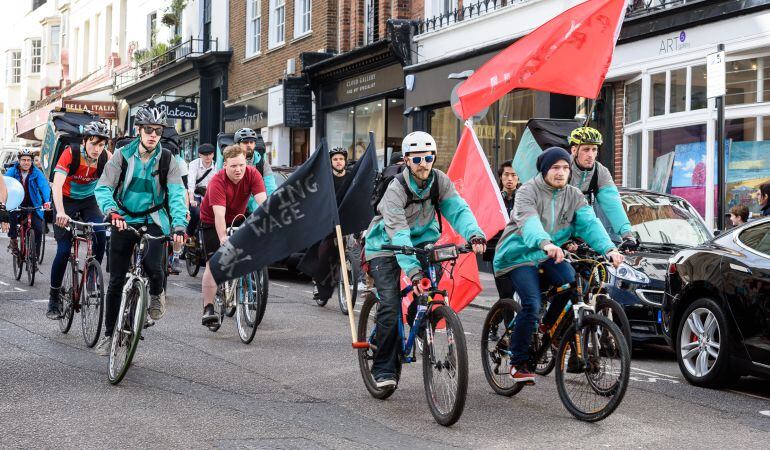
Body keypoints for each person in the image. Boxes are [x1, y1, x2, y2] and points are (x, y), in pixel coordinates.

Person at [364, 131, 487, 389]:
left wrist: (474, 234)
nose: (424, 164)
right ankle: (384, 367)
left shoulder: (439, 181)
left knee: (431, 291)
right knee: (389, 304)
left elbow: (458, 209)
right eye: (417, 159)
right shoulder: (396, 188)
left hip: (422, 241)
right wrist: (414, 273)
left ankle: (421, 317)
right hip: (385, 245)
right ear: (407, 160)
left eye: (428, 158)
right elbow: (398, 232)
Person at [493, 147, 624, 384]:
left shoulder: (574, 195)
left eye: (565, 167)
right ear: (544, 170)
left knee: (573, 284)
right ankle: (518, 362)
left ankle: (547, 327)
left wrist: (609, 248)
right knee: (532, 303)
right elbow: (530, 223)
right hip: (518, 256)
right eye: (555, 168)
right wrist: (545, 243)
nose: (561, 172)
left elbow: (589, 224)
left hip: (549, 255)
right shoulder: (527, 192)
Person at [94, 104, 187, 355]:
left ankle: (157, 293)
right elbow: (103, 187)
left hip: (155, 218)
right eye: (148, 129)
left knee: (155, 268)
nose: (153, 134)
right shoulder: (122, 155)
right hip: (123, 218)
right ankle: (109, 334)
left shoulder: (168, 159)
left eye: (158, 130)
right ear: (138, 130)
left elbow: (178, 194)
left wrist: (179, 224)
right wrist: (111, 211)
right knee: (115, 281)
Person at [47, 120, 111, 320]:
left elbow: (114, 186)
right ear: (85, 141)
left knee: (100, 233)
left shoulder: (106, 158)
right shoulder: (71, 153)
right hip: (64, 200)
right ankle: (54, 299)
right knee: (64, 250)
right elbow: (56, 186)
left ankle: (92, 275)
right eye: (93, 144)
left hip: (89, 201)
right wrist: (61, 212)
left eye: (101, 145)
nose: (97, 149)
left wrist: (114, 210)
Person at [200, 145, 267, 326]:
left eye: (241, 165)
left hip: (238, 217)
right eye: (233, 166)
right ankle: (208, 307)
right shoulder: (217, 181)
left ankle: (241, 280)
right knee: (213, 263)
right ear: (225, 166)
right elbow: (219, 216)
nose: (238, 170)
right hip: (211, 220)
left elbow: (263, 205)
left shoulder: (253, 175)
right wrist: (223, 237)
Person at [568, 127, 637, 250]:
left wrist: (627, 234)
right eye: (586, 149)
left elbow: (612, 203)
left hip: (584, 235)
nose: (590, 155)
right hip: (559, 236)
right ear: (574, 150)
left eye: (594, 149)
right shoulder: (562, 169)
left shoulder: (600, 172)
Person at [311, 147, 354, 305]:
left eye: (341, 159)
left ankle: (349, 274)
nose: (338, 162)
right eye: (335, 159)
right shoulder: (326, 178)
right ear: (330, 162)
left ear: (345, 161)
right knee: (325, 251)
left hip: (346, 217)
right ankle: (318, 282)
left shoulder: (350, 177)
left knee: (349, 249)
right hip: (328, 219)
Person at [484, 161, 521, 299]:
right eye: (506, 175)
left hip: (520, 252)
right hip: (499, 253)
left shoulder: (525, 199)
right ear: (501, 177)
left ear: (519, 177)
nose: (510, 179)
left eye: (513, 175)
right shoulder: (494, 199)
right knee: (506, 294)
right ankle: (505, 315)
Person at [6, 149, 51, 258]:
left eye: (29, 160)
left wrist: (47, 201)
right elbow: (4, 183)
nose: (26, 162)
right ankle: (13, 241)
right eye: (23, 160)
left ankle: (34, 257)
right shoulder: (12, 171)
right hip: (16, 202)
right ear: (19, 160)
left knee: (39, 229)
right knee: (12, 215)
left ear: (31, 161)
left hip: (33, 203)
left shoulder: (36, 172)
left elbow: (44, 186)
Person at [186, 143, 216, 239]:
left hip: (209, 193)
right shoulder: (193, 164)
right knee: (196, 211)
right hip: (195, 193)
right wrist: (191, 200)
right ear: (200, 155)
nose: (208, 157)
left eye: (210, 154)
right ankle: (189, 234)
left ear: (213, 154)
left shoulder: (216, 166)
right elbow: (191, 183)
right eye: (205, 154)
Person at [233, 128, 277, 195]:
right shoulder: (231, 162)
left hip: (257, 202)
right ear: (238, 144)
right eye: (245, 142)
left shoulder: (262, 163)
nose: (249, 145)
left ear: (255, 144)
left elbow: (271, 187)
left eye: (251, 142)